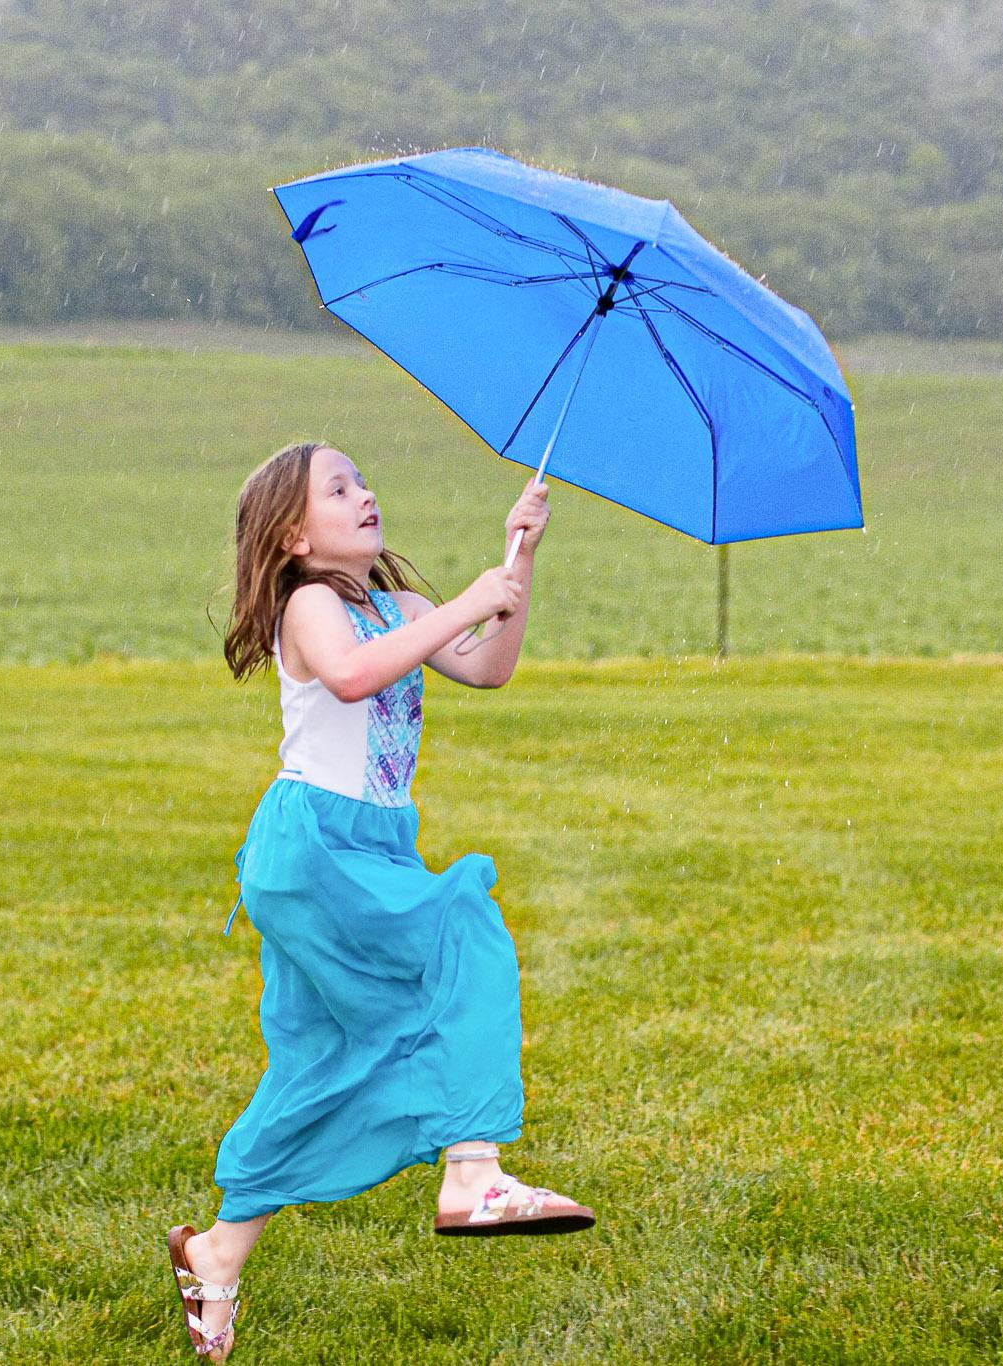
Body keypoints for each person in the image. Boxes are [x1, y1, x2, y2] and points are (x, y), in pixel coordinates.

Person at [167, 443, 593, 1361]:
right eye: (340, 488)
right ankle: (473, 1169)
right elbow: (353, 676)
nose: (366, 495)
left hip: (369, 844)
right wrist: (471, 603)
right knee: (466, 926)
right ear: (292, 535)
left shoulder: (397, 606)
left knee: (325, 1058)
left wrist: (517, 562)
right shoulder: (311, 604)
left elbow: (488, 669)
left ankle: (217, 1251)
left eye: (361, 481)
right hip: (315, 845)